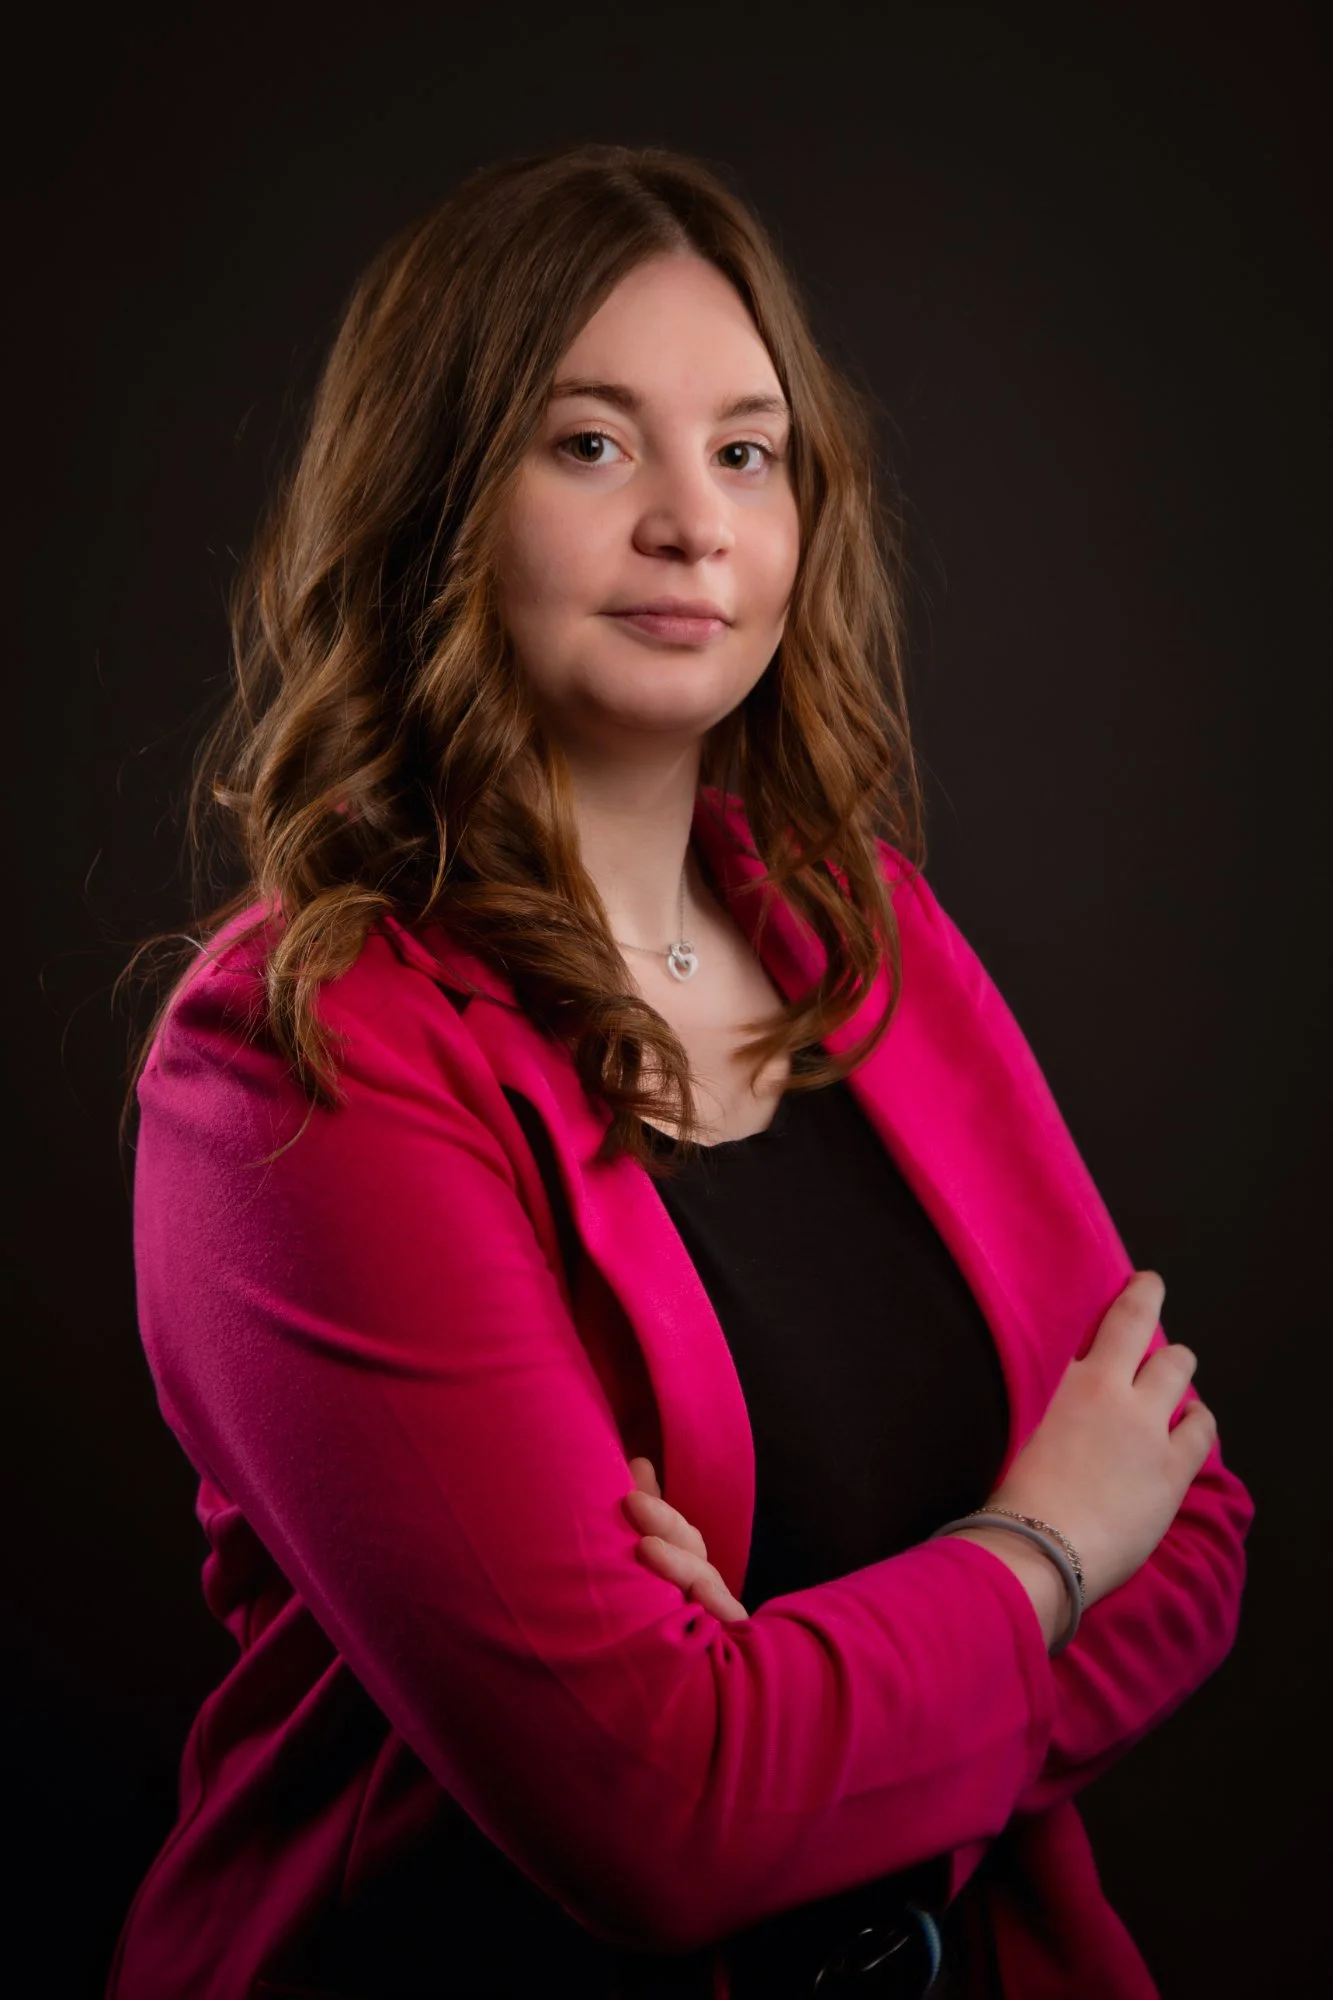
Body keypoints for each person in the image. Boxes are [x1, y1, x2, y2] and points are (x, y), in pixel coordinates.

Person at [109, 142, 1253, 2000]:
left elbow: (1190, 1525)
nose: (693, 524)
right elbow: (662, 1813)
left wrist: (795, 1728)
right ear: (433, 500)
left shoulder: (856, 933)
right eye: (589, 444)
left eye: (745, 450)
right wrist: (1039, 1549)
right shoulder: (293, 1067)